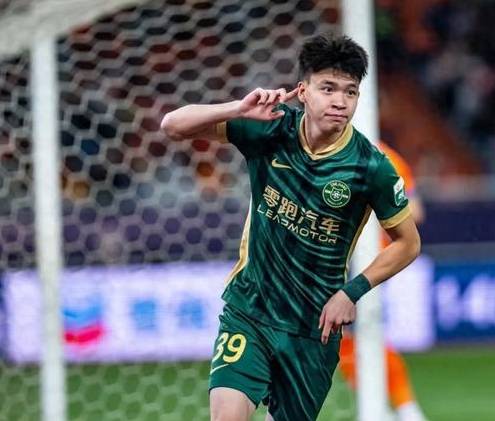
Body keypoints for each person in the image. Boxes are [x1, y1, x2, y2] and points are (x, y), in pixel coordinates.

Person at [161, 34, 421, 421]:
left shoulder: (371, 166)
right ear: (303, 92)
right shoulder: (269, 128)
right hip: (250, 312)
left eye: (350, 92)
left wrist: (351, 292)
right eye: (327, 88)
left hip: (313, 330)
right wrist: (238, 108)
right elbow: (172, 126)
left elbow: (408, 243)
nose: (340, 101)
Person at [339, 141, 428, 421]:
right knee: (340, 338)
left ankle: (403, 408)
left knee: (361, 332)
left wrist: (373, 205)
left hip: (368, 263)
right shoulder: (319, 147)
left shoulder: (384, 157)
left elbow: (415, 210)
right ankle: (383, 408)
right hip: (329, 258)